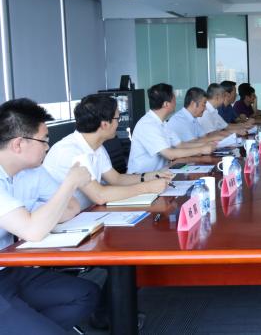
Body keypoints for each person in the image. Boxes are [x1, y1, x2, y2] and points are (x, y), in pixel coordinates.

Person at [0, 98, 99, 334]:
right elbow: (34, 231)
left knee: (86, 294)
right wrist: (70, 182)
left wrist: (30, 217)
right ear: (18, 144)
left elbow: (72, 207)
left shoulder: (32, 171)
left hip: (9, 269)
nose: (47, 146)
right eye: (44, 140)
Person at [43, 94, 170, 210]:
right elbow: (99, 195)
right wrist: (147, 187)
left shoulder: (96, 146)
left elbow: (116, 179)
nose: (118, 123)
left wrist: (148, 177)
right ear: (104, 124)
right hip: (66, 220)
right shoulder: (70, 151)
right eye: (117, 119)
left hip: (88, 213)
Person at [128, 83, 216, 173]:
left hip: (160, 173)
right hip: (141, 177)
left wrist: (205, 145)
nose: (176, 102)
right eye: (174, 99)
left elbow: (180, 145)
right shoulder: (148, 124)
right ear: (166, 104)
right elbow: (169, 154)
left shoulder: (162, 123)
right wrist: (201, 149)